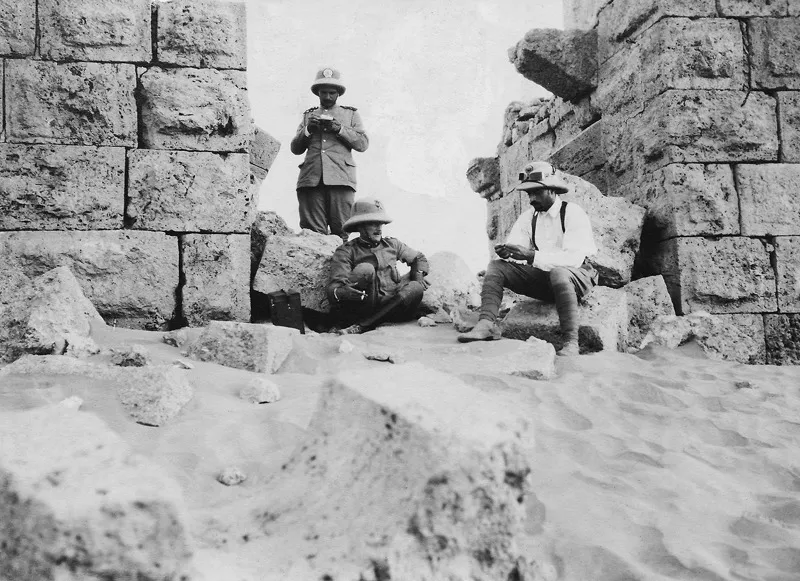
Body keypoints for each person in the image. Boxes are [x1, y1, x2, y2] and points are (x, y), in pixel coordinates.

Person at [457, 161, 598, 356]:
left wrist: (530, 255)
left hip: (577, 277)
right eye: (529, 193)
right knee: (497, 267)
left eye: (536, 192)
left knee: (559, 273)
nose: (531, 198)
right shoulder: (529, 217)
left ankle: (571, 342)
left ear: (551, 190)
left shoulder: (573, 212)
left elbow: (573, 259)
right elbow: (518, 249)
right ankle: (486, 324)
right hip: (546, 279)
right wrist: (509, 253)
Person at [327, 198, 429, 335]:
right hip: (364, 308)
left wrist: (419, 275)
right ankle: (363, 323)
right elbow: (334, 289)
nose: (379, 228)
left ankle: (363, 327)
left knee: (416, 287)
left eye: (380, 223)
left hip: (394, 308)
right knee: (366, 269)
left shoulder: (392, 244)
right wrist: (343, 292)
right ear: (360, 226)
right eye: (373, 223)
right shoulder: (346, 251)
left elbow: (418, 257)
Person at [290, 67, 369, 241]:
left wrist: (340, 129)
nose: (327, 97)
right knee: (312, 234)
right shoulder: (308, 116)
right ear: (317, 93)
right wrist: (308, 130)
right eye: (323, 92)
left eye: (331, 93)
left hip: (341, 179)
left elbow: (363, 144)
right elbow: (295, 148)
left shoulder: (350, 115)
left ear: (338, 94)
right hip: (311, 180)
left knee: (342, 232)